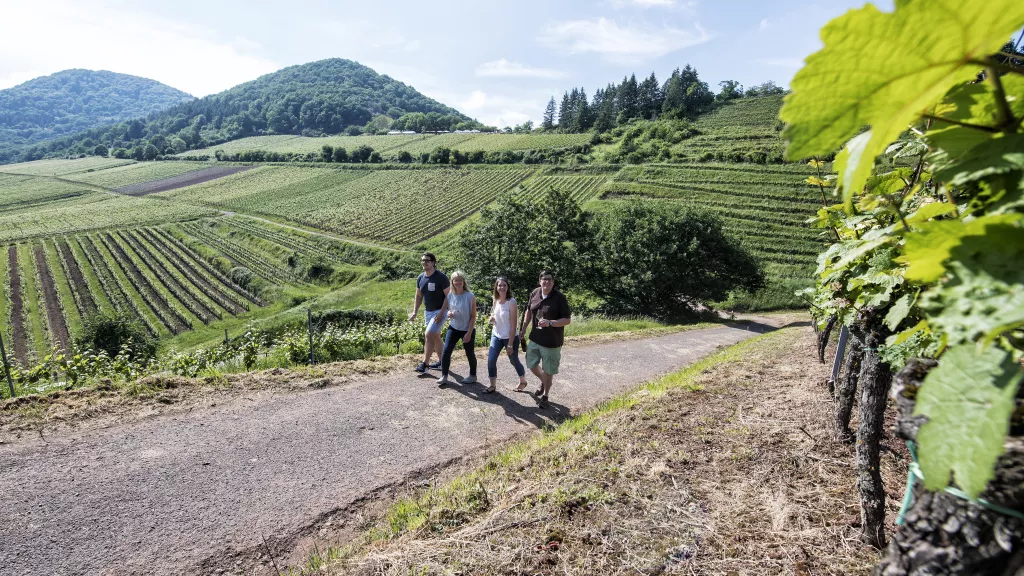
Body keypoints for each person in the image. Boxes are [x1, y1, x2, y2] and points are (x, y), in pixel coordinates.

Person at [522, 270, 571, 408]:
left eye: (550, 279)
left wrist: (550, 323)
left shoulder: (559, 297)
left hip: (552, 342)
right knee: (531, 363)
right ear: (540, 281)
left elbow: (567, 320)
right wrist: (524, 328)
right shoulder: (535, 293)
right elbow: (529, 311)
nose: (547, 282)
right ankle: (544, 381)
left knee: (548, 369)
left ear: (553, 282)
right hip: (535, 338)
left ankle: (546, 395)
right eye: (544, 279)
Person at [408, 252, 449, 373]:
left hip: (439, 311)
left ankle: (424, 364)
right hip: (428, 312)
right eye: (422, 260)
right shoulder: (421, 277)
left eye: (427, 260)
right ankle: (443, 362)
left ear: (433, 262)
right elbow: (418, 296)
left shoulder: (441, 277)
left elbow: (449, 296)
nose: (424, 263)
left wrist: (442, 313)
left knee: (429, 334)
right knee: (436, 336)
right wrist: (415, 312)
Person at [486, 277, 527, 394]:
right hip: (496, 335)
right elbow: (494, 313)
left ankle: (523, 381)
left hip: (510, 337)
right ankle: (492, 385)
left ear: (508, 287)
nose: (502, 287)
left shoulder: (512, 302)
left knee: (513, 360)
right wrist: (492, 318)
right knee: (491, 360)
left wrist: (509, 345)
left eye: (504, 285)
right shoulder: (495, 299)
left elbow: (514, 326)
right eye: (499, 285)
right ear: (496, 287)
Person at [436, 271, 477, 387]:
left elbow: (474, 316)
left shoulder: (470, 296)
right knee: (446, 351)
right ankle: (444, 376)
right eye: (455, 280)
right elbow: (448, 308)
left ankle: (473, 376)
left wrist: (469, 333)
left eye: (460, 280)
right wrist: (449, 313)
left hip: (466, 329)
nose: (458, 282)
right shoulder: (450, 295)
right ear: (452, 282)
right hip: (453, 327)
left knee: (469, 353)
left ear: (463, 282)